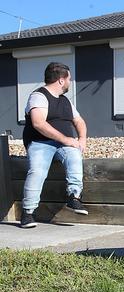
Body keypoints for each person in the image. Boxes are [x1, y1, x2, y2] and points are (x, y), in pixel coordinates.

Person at [20, 62, 89, 228]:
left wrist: (82, 139)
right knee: (37, 171)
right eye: (69, 79)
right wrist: (66, 139)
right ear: (61, 80)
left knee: (74, 155)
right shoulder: (38, 96)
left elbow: (79, 121)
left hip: (64, 146)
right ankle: (28, 212)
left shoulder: (65, 101)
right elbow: (38, 123)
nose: (70, 82)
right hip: (40, 143)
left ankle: (74, 197)